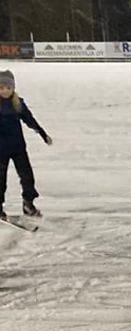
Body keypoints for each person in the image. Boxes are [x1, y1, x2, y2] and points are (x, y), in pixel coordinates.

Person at [0, 70, 52, 220]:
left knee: (27, 177)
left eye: (8, 88)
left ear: (13, 88)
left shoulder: (18, 103)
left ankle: (28, 204)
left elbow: (30, 120)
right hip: (1, 150)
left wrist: (42, 134)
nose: (5, 91)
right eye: (1, 88)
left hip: (18, 148)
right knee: (0, 180)